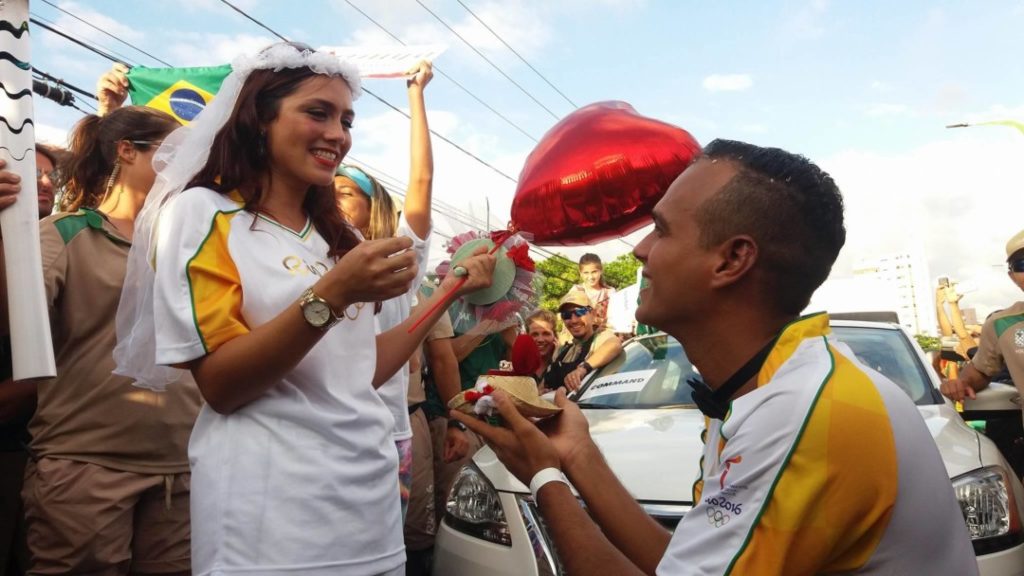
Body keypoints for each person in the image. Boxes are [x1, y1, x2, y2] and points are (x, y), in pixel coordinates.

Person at [455, 139, 978, 575]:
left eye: (661, 230)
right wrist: (577, 457)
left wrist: (544, 477)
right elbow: (678, 565)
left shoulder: (807, 412)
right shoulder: (768, 388)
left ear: (732, 259)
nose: (639, 252)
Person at [135, 42, 494, 576]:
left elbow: (359, 370)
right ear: (260, 119)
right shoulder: (202, 214)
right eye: (317, 112)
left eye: (347, 119)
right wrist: (333, 294)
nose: (338, 135)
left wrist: (448, 291)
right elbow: (223, 386)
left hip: (366, 498)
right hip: (269, 510)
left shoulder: (339, 236)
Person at [0, 103, 202, 576]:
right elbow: (10, 318)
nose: (190, 169)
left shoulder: (194, 245)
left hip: (183, 469)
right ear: (127, 152)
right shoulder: (65, 234)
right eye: (173, 154)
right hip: (85, 467)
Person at [335, 60, 435, 524]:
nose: (333, 197)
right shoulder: (306, 255)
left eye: (345, 192)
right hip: (326, 429)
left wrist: (415, 95)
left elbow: (421, 184)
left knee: (380, 540)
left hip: (386, 430)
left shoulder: (398, 259)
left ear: (371, 205)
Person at [941, 229, 1024, 414]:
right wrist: (962, 383)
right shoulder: (1002, 325)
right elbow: (981, 371)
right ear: (1013, 276)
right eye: (1022, 264)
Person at [541, 291, 623, 393]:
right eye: (566, 315)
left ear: (592, 314)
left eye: (580, 312)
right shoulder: (561, 351)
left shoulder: (600, 339)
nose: (574, 320)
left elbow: (614, 344)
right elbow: (542, 387)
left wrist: (582, 369)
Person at [571, 253, 615, 330]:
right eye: (586, 273)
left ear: (601, 271)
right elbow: (571, 316)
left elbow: (615, 318)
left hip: (606, 335)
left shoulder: (610, 292)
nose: (590, 277)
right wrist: (599, 321)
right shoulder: (577, 290)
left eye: (594, 272)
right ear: (580, 273)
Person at [526, 309, 558, 379]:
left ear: (554, 336)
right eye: (534, 334)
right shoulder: (520, 367)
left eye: (546, 333)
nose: (540, 340)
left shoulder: (566, 360)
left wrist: (557, 360)